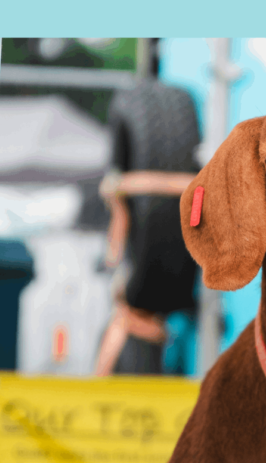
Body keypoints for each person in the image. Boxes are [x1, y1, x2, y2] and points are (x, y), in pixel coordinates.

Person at [94, 71, 201, 376]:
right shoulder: (147, 297)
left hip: (143, 295)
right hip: (149, 298)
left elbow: (120, 216)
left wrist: (117, 192)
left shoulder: (134, 294)